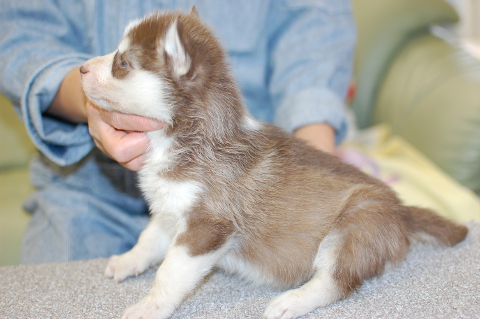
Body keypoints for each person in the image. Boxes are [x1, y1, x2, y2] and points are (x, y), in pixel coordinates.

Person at [0, 0, 356, 263]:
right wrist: (88, 101)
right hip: (88, 190)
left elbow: (315, 25)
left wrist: (314, 157)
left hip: (245, 187)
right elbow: (21, 34)